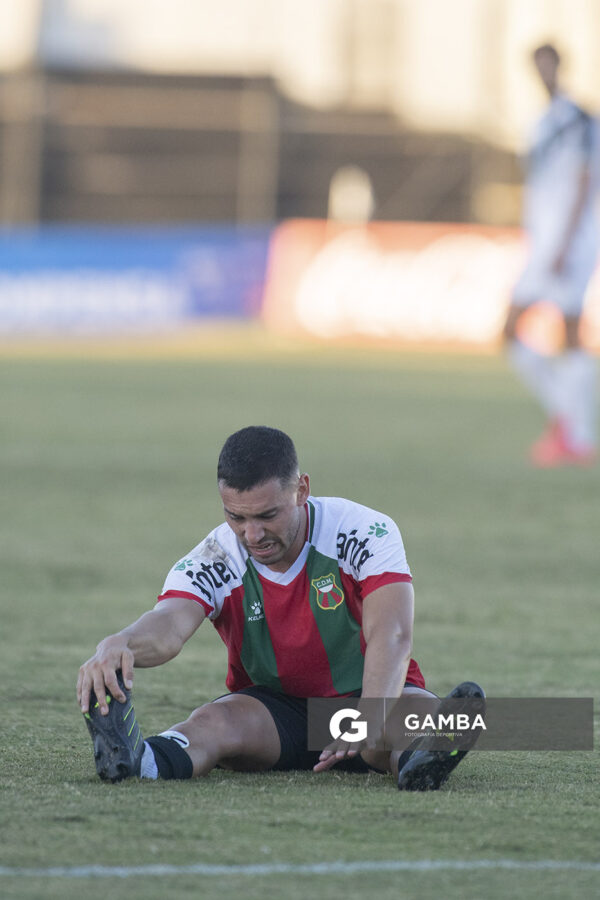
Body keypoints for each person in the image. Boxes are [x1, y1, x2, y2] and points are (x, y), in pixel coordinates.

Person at [78, 426, 484, 791]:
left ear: (302, 490)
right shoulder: (217, 555)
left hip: (373, 694)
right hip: (278, 713)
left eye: (268, 515)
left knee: (408, 723)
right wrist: (123, 642)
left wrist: (366, 721)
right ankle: (140, 762)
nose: (251, 535)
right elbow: (169, 625)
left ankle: (418, 762)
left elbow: (392, 632)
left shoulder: (363, 530)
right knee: (214, 723)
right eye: (236, 516)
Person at [504, 43, 598, 467]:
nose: (543, 72)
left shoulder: (578, 119)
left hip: (569, 243)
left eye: (549, 64)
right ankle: (572, 424)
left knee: (571, 332)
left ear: (560, 66)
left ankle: (574, 433)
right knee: (511, 332)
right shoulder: (541, 122)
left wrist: (564, 243)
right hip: (544, 241)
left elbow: (583, 181)